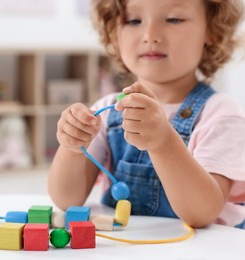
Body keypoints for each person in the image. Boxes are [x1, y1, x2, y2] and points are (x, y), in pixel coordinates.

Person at [48, 0, 245, 228]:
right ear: (114, 33)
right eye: (133, 21)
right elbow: (66, 199)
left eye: (173, 19)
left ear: (211, 29)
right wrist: (72, 147)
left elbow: (201, 214)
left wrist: (163, 143)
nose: (150, 35)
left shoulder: (221, 116)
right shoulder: (107, 111)